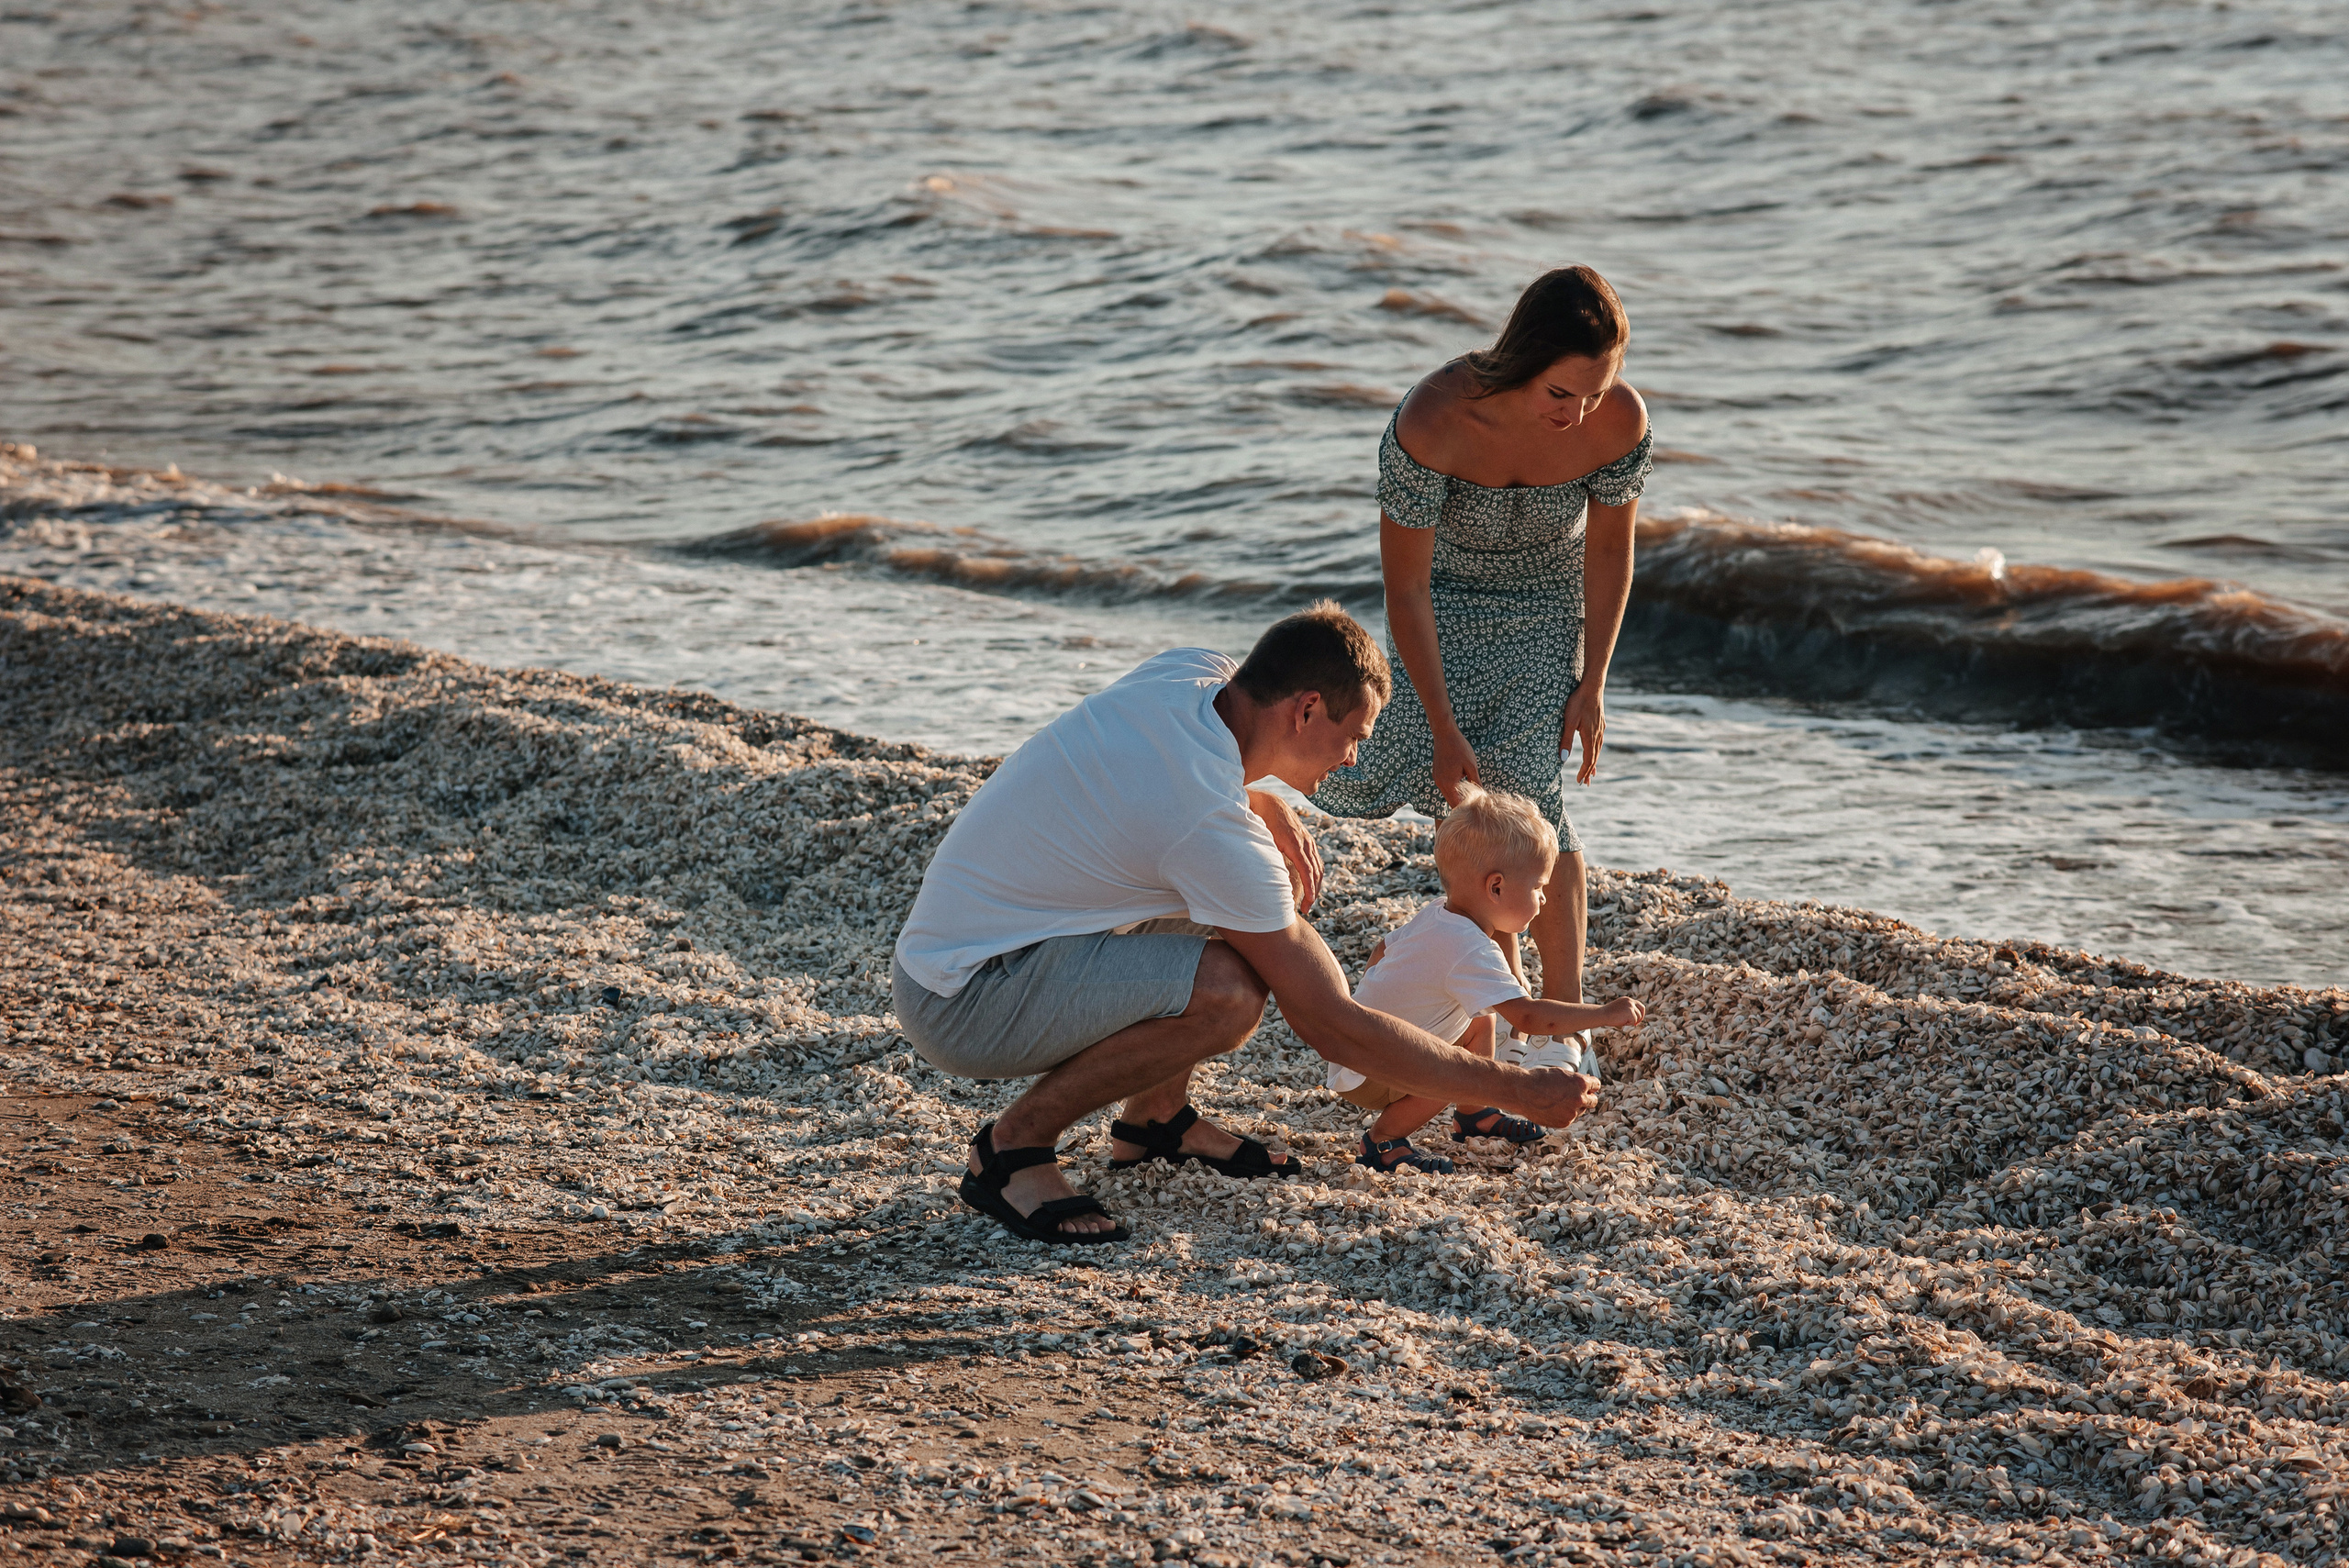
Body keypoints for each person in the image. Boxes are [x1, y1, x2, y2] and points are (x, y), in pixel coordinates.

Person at [892, 603, 1601, 1245]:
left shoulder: (1193, 674)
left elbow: (1170, 783)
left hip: (962, 943)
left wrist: (1263, 800)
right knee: (1231, 990)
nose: (1353, 756)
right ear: (1307, 710)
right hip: (963, 997)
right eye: (1353, 735)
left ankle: (1155, 1120)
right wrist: (1513, 1088)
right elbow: (1332, 1022)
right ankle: (1013, 1147)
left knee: (1238, 898)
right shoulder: (1206, 822)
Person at [1312, 264, 1650, 1027]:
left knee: (1535, 799)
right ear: (1523, 359)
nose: (1578, 412)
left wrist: (1592, 682)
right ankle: (1489, 1015)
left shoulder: (1619, 422)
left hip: (1544, 606)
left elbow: (1607, 556)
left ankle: (1558, 1018)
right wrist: (1438, 720)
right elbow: (1406, 589)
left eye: (1594, 392)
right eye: (1559, 393)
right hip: (1445, 607)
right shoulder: (1433, 418)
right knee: (1464, 805)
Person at [1330, 783, 1646, 1174]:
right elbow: (1530, 1019)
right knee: (1452, 1065)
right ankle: (1382, 1141)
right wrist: (1603, 1013)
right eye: (1538, 887)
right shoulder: (1471, 948)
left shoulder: (1438, 914)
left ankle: (1474, 1112)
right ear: (1496, 887)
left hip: (1355, 1051)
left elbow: (1381, 950)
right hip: (1368, 1075)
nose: (1544, 900)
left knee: (1482, 1016)